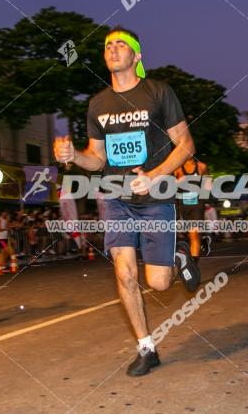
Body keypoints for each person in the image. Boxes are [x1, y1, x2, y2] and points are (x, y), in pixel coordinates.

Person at [53, 26, 200, 377]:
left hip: (154, 195)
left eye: (122, 45)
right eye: (108, 46)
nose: (113, 49)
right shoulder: (97, 104)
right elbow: (97, 159)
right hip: (113, 196)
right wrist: (73, 155)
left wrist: (156, 174)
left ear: (136, 56)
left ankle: (177, 254)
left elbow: (186, 145)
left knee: (159, 283)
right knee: (124, 272)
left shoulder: (159, 92)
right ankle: (146, 348)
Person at [175, 157, 209, 262]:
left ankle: (193, 263)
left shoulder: (201, 167)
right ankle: (203, 239)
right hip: (184, 205)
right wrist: (178, 182)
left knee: (194, 233)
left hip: (197, 205)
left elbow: (208, 183)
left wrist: (207, 185)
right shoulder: (178, 168)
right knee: (189, 235)